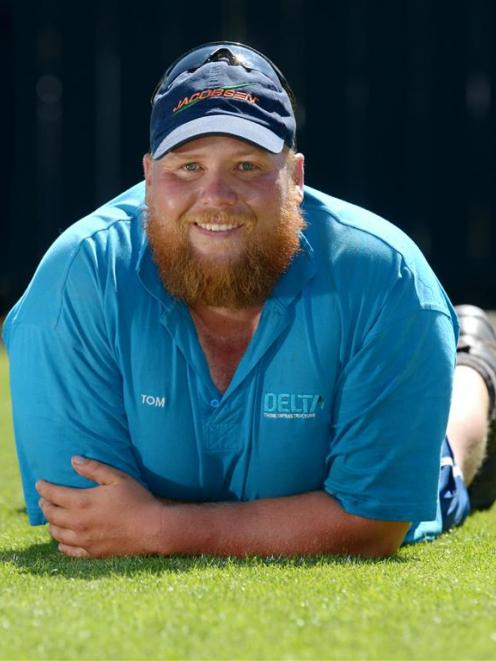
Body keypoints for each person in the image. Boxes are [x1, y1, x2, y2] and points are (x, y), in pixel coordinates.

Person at [3, 42, 496, 559]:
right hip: (295, 494)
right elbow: (87, 518)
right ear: (148, 179)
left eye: (246, 166)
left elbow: (373, 520)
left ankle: (473, 367)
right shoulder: (75, 279)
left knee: (445, 463)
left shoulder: (389, 280)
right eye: (188, 167)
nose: (216, 197)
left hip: (329, 471)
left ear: (296, 179)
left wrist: (161, 530)